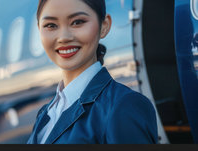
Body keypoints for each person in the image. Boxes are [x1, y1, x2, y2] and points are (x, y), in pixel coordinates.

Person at [26, 0, 158, 144]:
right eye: (51, 25)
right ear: (39, 29)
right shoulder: (46, 113)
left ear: (104, 26)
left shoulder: (123, 106)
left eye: (77, 22)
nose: (63, 37)